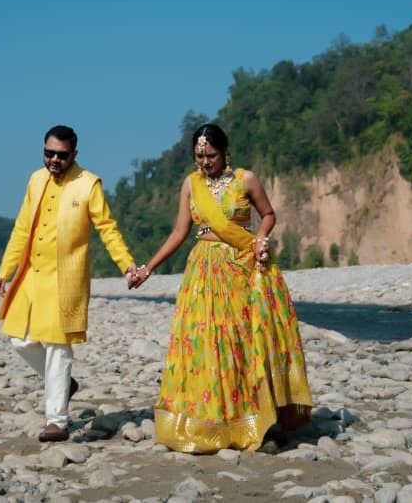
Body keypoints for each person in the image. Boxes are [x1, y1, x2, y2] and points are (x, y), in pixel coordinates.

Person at [128, 123, 312, 452]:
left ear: (225, 152)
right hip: (203, 272)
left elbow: (268, 215)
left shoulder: (246, 179)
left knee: (242, 341)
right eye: (199, 156)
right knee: (206, 344)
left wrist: (261, 239)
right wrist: (148, 268)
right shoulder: (191, 184)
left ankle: (256, 419)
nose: (205, 162)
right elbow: (179, 232)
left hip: (241, 267)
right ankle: (210, 419)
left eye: (210, 155)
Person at [0, 124, 141, 442]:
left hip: (66, 279)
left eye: (61, 155)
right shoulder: (35, 179)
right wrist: (6, 269)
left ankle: (57, 422)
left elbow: (108, 229)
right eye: (49, 153)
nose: (54, 160)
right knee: (19, 339)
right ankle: (65, 385)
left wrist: (127, 266)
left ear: (74, 154)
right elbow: (22, 227)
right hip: (31, 276)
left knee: (58, 348)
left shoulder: (88, 184)